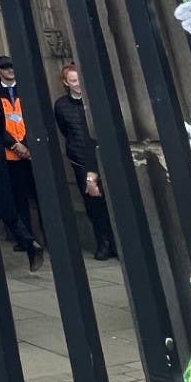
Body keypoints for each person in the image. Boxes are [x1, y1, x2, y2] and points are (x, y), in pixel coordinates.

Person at [53, 64, 116, 260]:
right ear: (66, 83)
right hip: (80, 160)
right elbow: (65, 130)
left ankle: (117, 243)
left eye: (79, 79)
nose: (78, 84)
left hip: (103, 157)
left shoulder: (95, 100)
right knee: (93, 205)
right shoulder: (62, 105)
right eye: (73, 81)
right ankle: (103, 242)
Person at [0, 55, 45, 270]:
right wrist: (15, 145)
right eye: (5, 67)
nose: (10, 70)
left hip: (32, 151)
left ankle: (48, 235)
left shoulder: (27, 90)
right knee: (18, 197)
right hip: (11, 153)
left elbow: (36, 117)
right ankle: (26, 238)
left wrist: (28, 145)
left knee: (41, 194)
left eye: (12, 66)